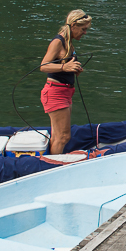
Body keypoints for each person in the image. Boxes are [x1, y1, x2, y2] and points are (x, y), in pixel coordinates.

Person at [40, 10, 92, 154]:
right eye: (83, 29)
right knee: (63, 137)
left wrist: (73, 69)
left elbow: (64, 68)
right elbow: (43, 66)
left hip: (65, 92)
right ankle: (54, 166)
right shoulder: (58, 42)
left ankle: (51, 161)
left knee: (58, 136)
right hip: (55, 92)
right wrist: (65, 66)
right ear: (74, 25)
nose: (85, 33)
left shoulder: (69, 43)